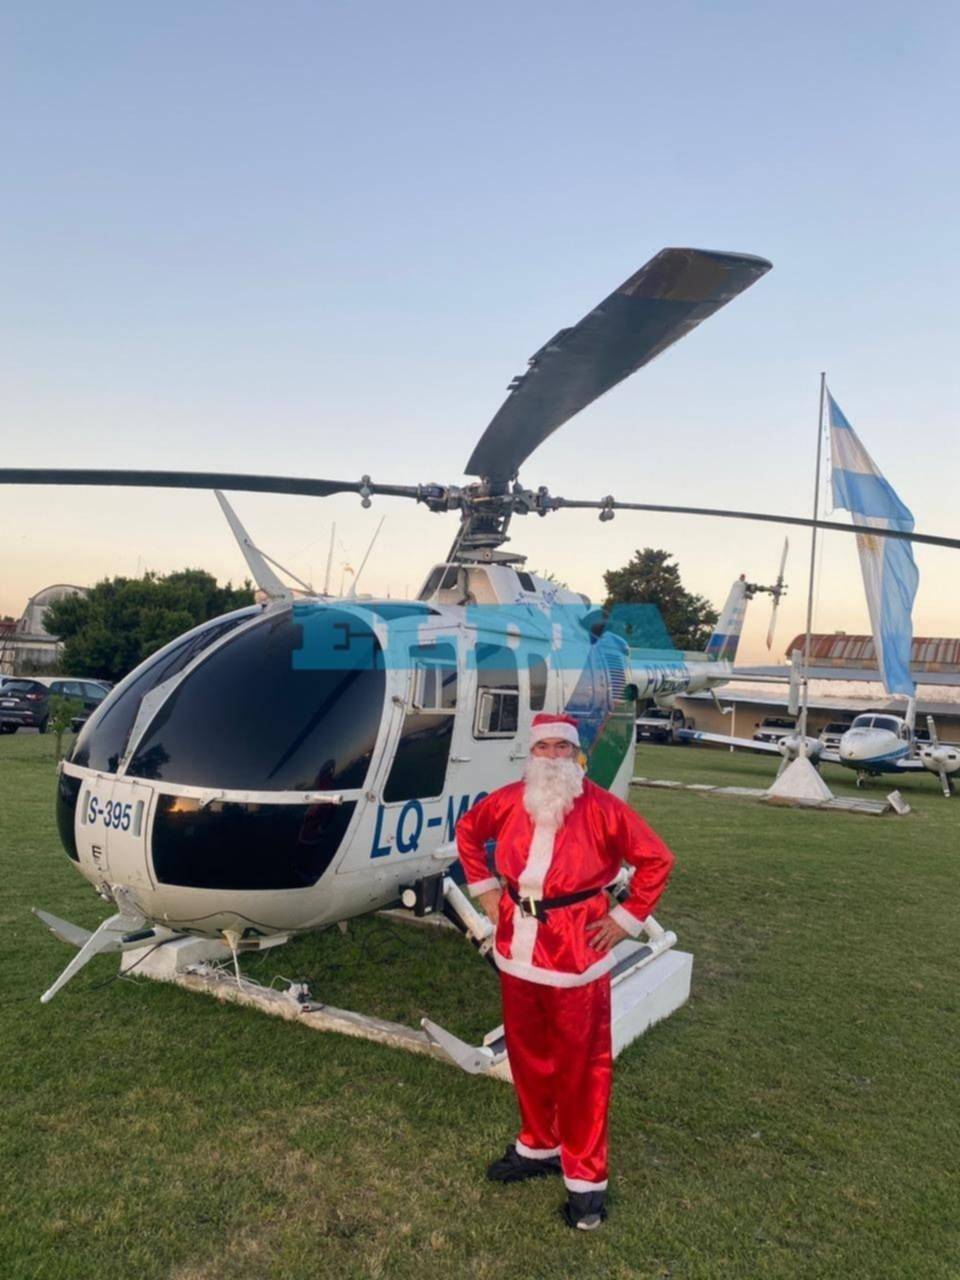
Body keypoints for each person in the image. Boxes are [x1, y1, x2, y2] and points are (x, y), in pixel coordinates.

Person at [455, 711, 674, 1230]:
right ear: (530, 754)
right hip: (517, 949)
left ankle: (586, 1182)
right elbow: (468, 832)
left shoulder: (603, 808)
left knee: (581, 1071)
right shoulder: (510, 800)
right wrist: (487, 893)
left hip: (575, 955)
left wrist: (624, 920)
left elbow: (657, 860)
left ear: (578, 756)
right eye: (543, 747)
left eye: (562, 748)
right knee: (528, 1057)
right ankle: (538, 1145)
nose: (552, 756)